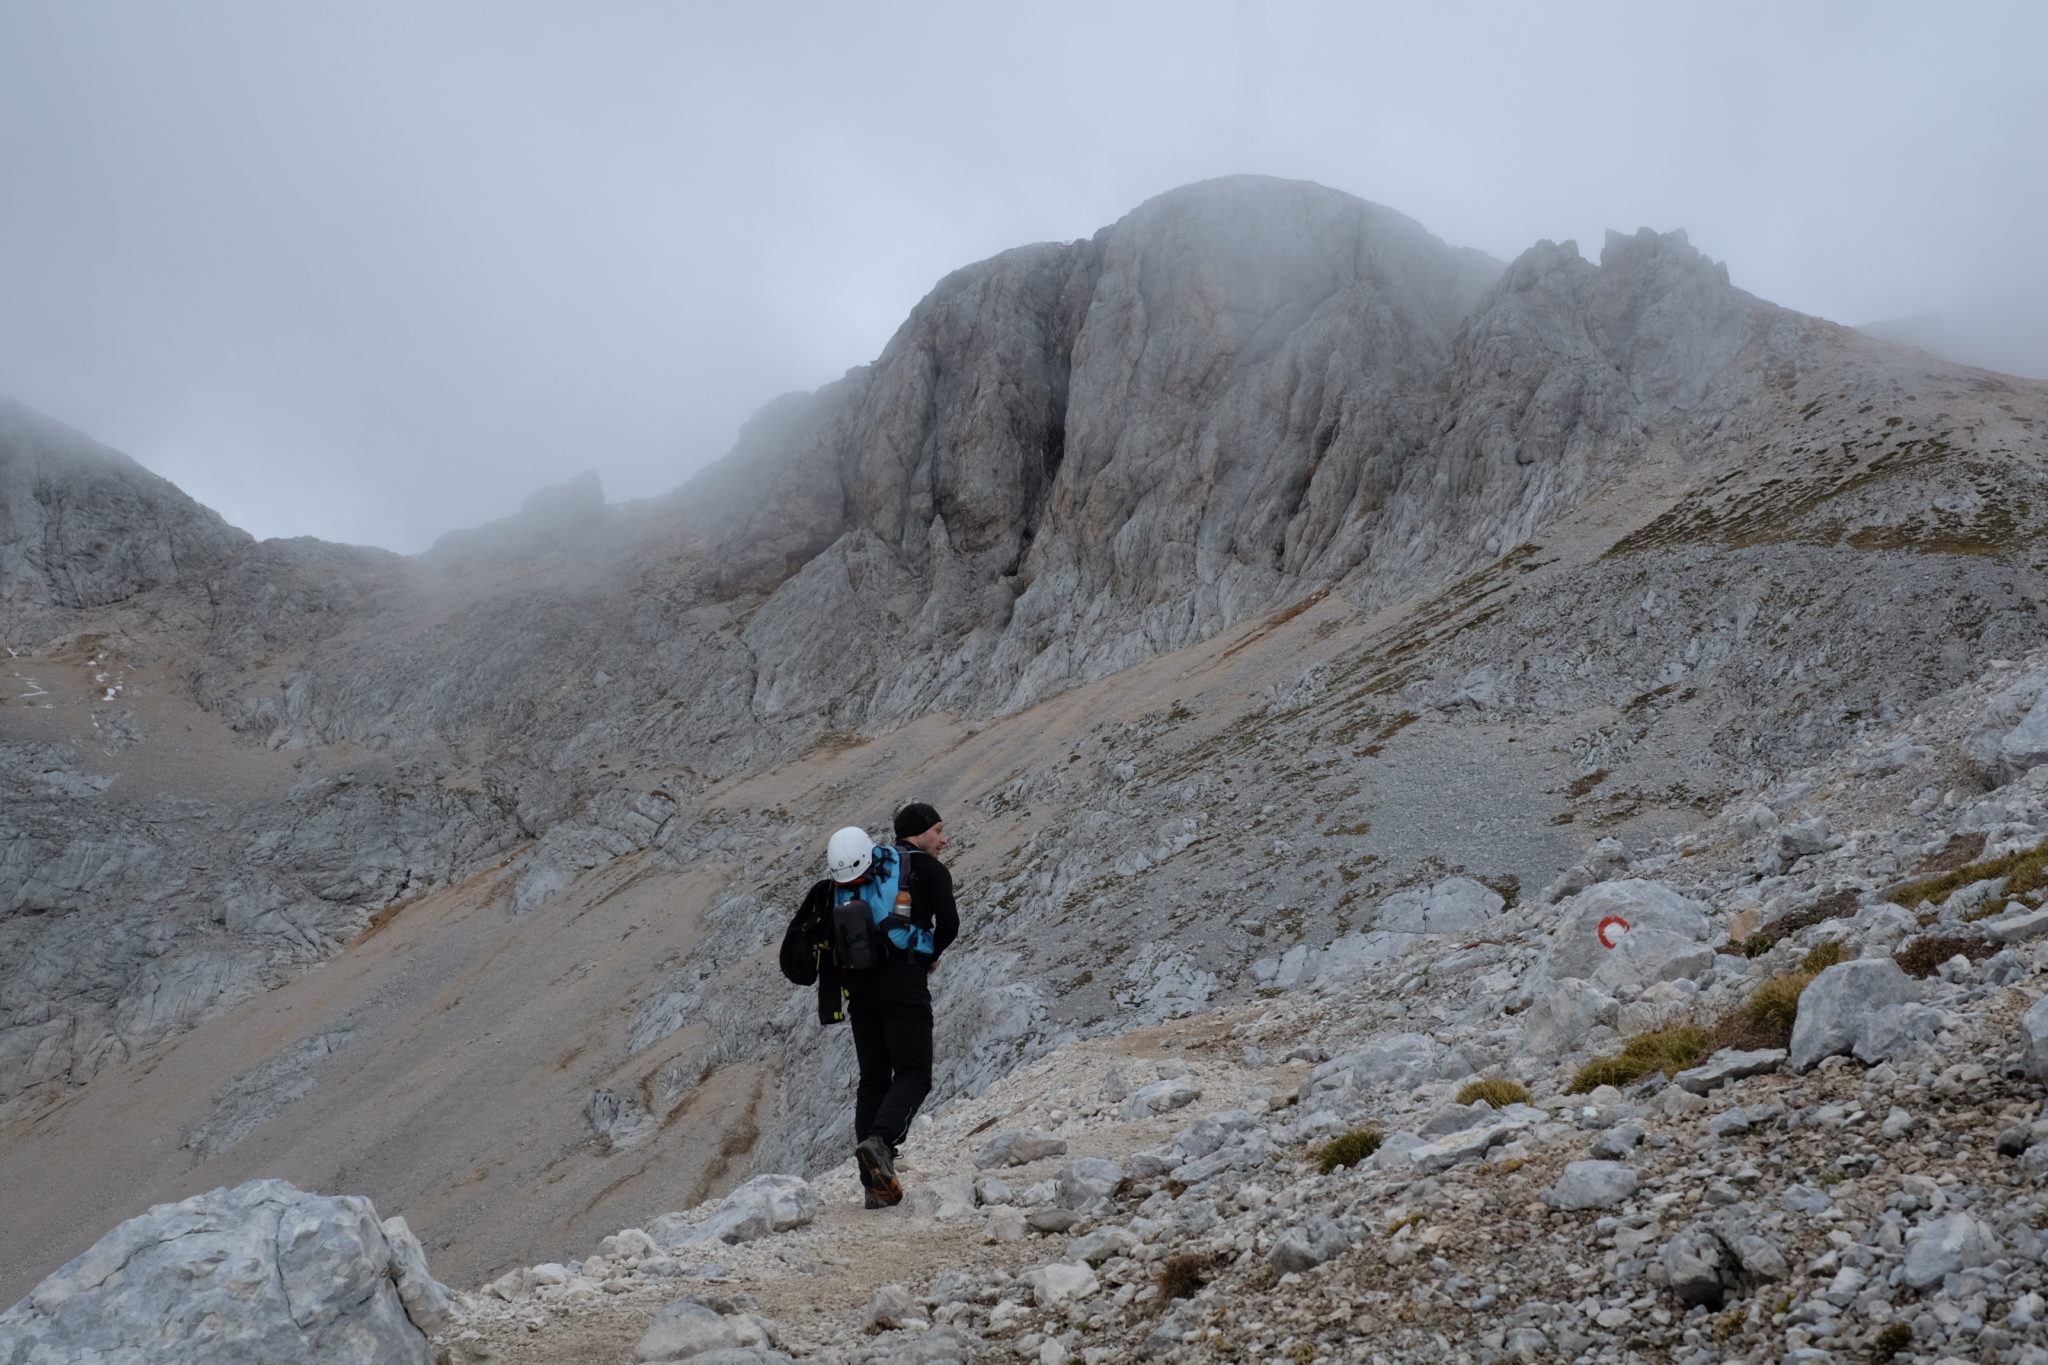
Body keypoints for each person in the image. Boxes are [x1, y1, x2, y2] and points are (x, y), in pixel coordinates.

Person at [845, 801, 957, 1208]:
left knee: (873, 1079)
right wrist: (930, 955)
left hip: (858, 984)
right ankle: (881, 1143)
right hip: (902, 981)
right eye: (939, 831)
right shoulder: (929, 870)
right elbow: (949, 924)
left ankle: (874, 1188)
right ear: (920, 831)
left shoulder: (865, 869)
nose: (943, 840)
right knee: (913, 1073)